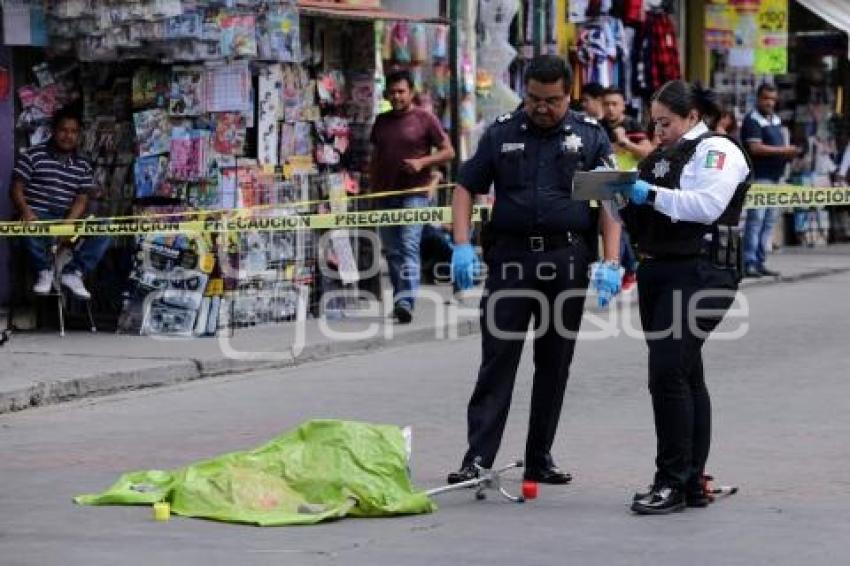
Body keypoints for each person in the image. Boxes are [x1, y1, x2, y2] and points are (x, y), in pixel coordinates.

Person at [447, 55, 622, 485]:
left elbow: (611, 202)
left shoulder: (590, 137)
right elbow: (466, 187)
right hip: (511, 260)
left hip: (567, 261)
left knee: (554, 362)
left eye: (553, 100)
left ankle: (539, 456)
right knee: (498, 360)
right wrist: (462, 245)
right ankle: (478, 460)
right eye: (534, 99)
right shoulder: (502, 133)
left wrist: (612, 260)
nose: (542, 107)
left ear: (569, 96)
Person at [606, 80, 751, 514]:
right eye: (654, 123)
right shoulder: (657, 158)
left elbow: (705, 205)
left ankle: (670, 481)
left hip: (704, 270)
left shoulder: (717, 151)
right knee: (685, 373)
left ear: (691, 117)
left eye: (666, 122)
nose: (658, 131)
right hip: (659, 269)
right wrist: (617, 198)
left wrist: (646, 193)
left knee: (667, 371)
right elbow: (641, 212)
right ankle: (690, 480)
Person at [369, 69, 455, 323]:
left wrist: (422, 163)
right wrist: (372, 190)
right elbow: (376, 158)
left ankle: (406, 300)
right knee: (392, 250)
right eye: (392, 92)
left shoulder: (425, 119)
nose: (396, 96)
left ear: (412, 93)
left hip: (415, 193)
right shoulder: (381, 122)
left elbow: (448, 151)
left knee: (408, 244)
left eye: (401, 92)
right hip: (385, 194)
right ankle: (400, 299)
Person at [11, 106, 109, 300]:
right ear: (53, 131)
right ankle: (44, 270)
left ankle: (73, 273)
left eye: (73, 132)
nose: (68, 136)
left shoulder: (82, 163)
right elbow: (16, 188)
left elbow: (82, 198)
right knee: (23, 224)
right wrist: (26, 211)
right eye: (64, 130)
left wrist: (69, 222)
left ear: (79, 135)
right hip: (38, 217)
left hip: (66, 219)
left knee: (105, 227)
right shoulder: (33, 155)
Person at [740, 84, 800, 278]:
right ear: (758, 98)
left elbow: (778, 145)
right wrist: (785, 151)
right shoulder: (752, 120)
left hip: (776, 177)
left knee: (768, 221)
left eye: (772, 99)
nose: (769, 102)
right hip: (760, 177)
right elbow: (755, 148)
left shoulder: (775, 119)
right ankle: (748, 261)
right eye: (766, 98)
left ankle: (760, 261)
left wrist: (788, 153)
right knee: (756, 220)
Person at [602, 88, 652, 292]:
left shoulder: (632, 124)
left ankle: (627, 270)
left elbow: (647, 152)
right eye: (606, 104)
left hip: (628, 185)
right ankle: (625, 269)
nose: (610, 108)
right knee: (613, 230)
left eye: (615, 104)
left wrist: (625, 142)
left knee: (621, 229)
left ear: (623, 105)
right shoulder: (598, 126)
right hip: (604, 185)